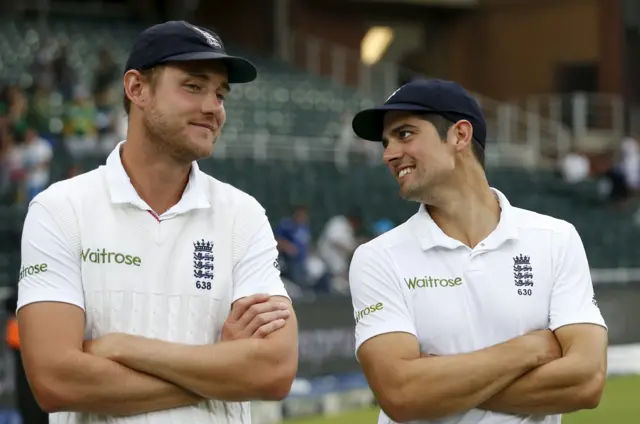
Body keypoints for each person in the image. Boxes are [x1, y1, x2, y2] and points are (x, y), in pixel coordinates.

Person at [17, 20, 298, 424]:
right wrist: (221, 369)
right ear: (136, 89)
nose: (213, 107)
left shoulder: (243, 214)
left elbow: (274, 372)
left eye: (220, 94)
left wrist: (123, 347)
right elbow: (55, 381)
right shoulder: (60, 209)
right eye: (194, 86)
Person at [348, 79, 608, 424]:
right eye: (386, 142)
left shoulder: (555, 238)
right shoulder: (377, 257)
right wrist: (529, 350)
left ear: (460, 135)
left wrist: (437, 385)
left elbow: (586, 382)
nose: (389, 154)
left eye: (405, 134)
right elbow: (401, 394)